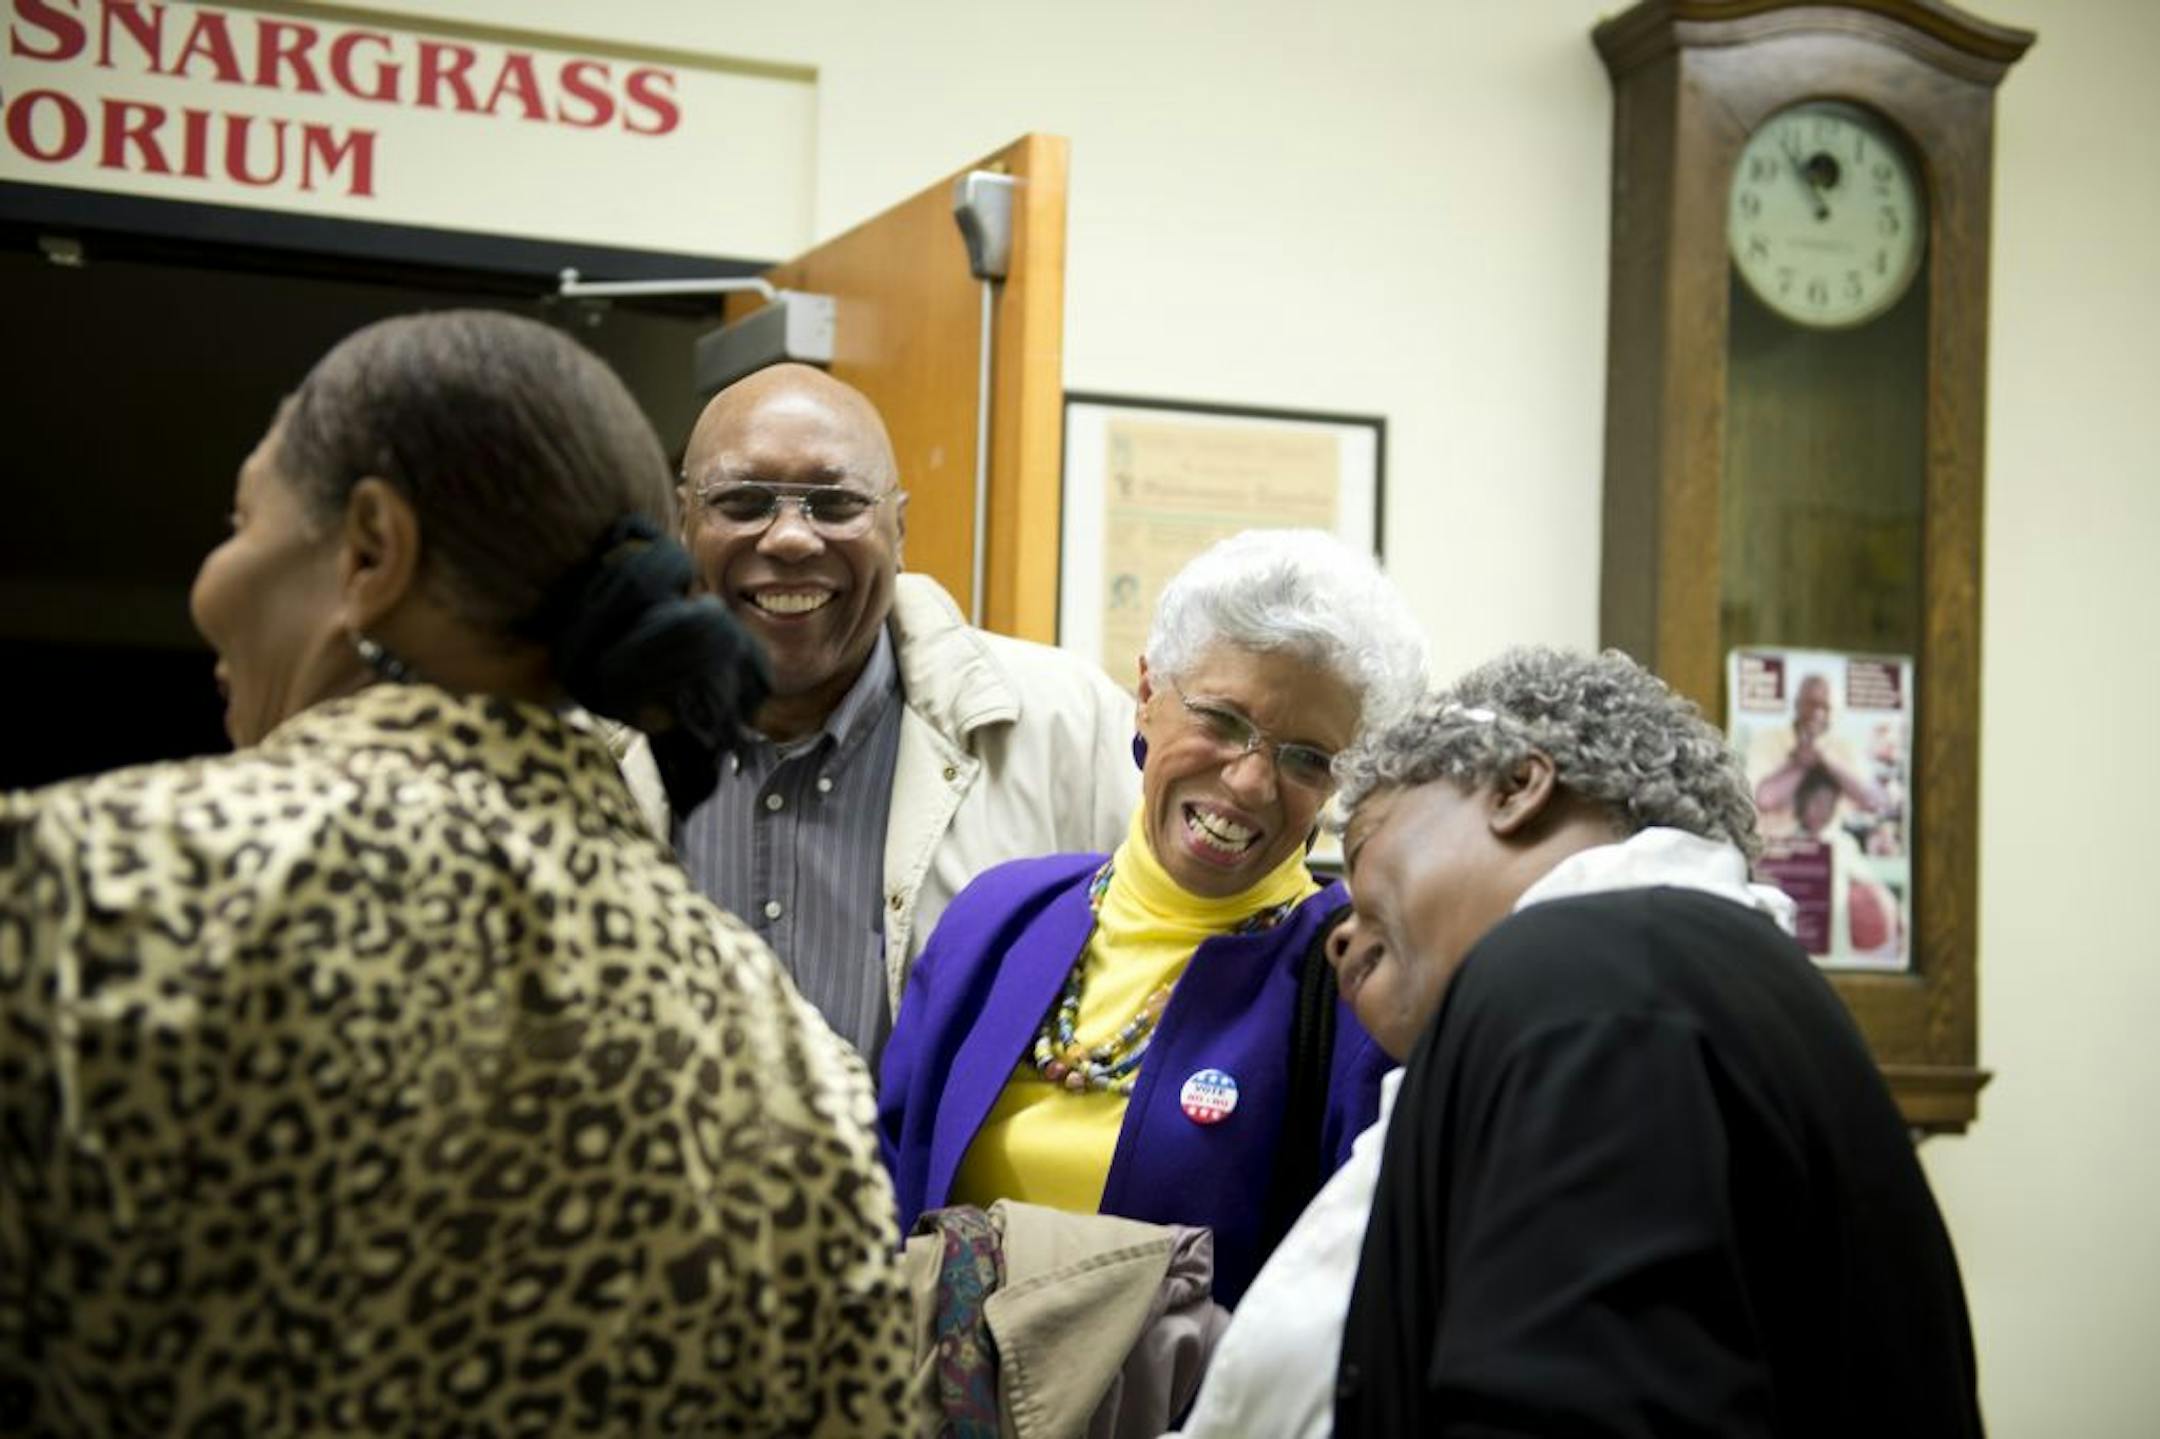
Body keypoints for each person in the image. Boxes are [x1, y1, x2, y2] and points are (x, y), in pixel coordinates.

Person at [0, 312, 908, 1435]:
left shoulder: (81, 893)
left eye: (239, 520)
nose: (206, 583)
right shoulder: (795, 1068)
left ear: (373, 548)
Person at [1324, 647, 1981, 1437]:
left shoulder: (1589, 984)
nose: (1340, 934)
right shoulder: (1680, 980)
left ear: (1515, 786)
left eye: (1364, 862)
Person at [878, 529, 1427, 1308]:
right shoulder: (997, 921)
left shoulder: (1354, 985)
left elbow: (1354, 1302)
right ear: (1146, 696)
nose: (1248, 780)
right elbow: (888, 1194)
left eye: (1306, 757)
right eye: (1224, 720)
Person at [620, 363, 1136, 1061]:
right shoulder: (586, 738)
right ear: (682, 523)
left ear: (899, 529)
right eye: (743, 501)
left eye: (835, 503)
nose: (791, 537)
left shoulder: (1071, 728)